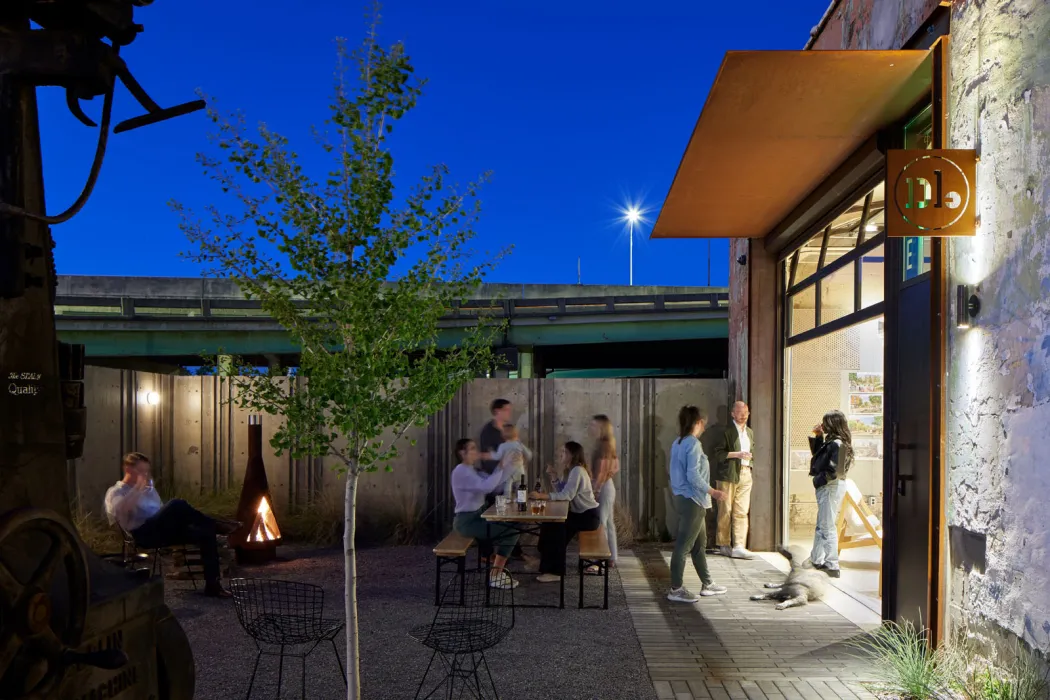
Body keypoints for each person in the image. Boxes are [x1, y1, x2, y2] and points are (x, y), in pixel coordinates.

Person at [104, 452, 240, 598]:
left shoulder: (148, 489)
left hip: (161, 531)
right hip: (141, 534)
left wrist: (147, 492)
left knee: (205, 532)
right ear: (129, 469)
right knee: (176, 504)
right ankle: (217, 524)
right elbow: (120, 512)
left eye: (146, 471)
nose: (144, 475)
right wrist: (137, 489)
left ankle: (213, 585)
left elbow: (159, 510)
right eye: (141, 471)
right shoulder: (116, 491)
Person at [667, 406, 729, 603]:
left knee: (699, 546)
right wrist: (714, 492)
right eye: (704, 423)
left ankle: (707, 584)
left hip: (685, 499)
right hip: (693, 500)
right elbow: (693, 475)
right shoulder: (693, 444)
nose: (704, 427)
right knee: (684, 546)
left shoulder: (677, 443)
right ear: (698, 423)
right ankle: (676, 589)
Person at [450, 439, 520, 589]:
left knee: (511, 528)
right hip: (467, 522)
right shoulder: (461, 471)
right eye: (472, 448)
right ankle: (495, 576)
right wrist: (502, 465)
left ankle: (496, 573)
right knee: (512, 531)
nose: (476, 451)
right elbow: (487, 487)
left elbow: (494, 484)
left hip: (478, 516)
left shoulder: (470, 470)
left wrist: (510, 465)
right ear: (462, 453)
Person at [529, 442, 600, 583]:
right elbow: (562, 491)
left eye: (564, 452)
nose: (560, 454)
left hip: (588, 516)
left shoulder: (577, 471)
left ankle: (555, 572)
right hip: (581, 514)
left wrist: (542, 496)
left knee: (556, 529)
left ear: (572, 455)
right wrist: (554, 476)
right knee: (549, 524)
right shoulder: (571, 470)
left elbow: (566, 495)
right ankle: (545, 561)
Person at [805, 410, 854, 579]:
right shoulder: (832, 442)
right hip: (829, 486)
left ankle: (832, 564)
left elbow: (835, 471)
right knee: (822, 525)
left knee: (827, 526)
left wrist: (818, 480)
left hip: (830, 487)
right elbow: (819, 458)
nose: (822, 425)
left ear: (833, 424)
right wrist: (818, 436)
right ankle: (816, 559)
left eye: (825, 422)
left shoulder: (837, 444)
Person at [712, 401, 756, 559]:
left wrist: (749, 462)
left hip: (745, 472)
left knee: (742, 511)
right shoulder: (726, 431)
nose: (743, 415)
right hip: (728, 474)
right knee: (726, 510)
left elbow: (752, 450)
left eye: (746, 412)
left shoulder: (749, 432)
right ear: (732, 414)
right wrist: (737, 454)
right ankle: (724, 543)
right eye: (739, 412)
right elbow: (717, 453)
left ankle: (739, 545)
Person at [589, 415, 619, 570]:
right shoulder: (607, 444)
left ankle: (601, 559)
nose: (590, 428)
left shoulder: (603, 445)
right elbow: (615, 467)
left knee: (601, 523)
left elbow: (603, 470)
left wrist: (596, 488)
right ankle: (611, 557)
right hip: (607, 486)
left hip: (603, 487)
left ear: (601, 427)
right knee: (608, 523)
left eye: (594, 425)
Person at [479, 399, 513, 476]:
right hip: (494, 477)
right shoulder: (488, 432)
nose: (509, 413)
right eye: (506, 410)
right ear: (497, 411)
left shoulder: (509, 430)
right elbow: (489, 457)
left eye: (510, 410)